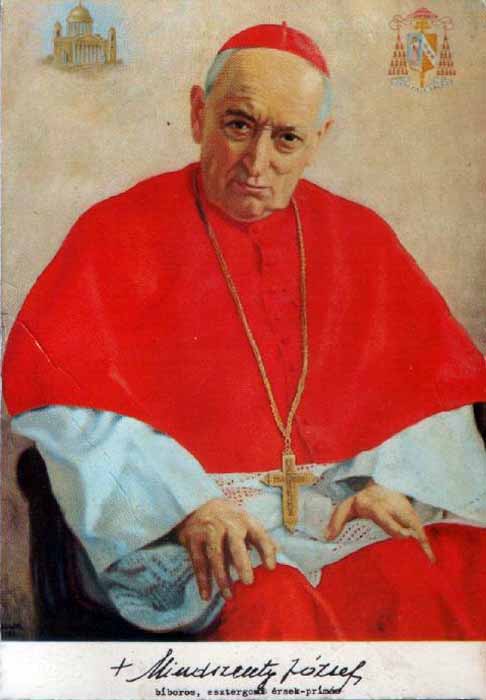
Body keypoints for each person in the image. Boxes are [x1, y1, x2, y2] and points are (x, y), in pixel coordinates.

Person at [3, 23, 486, 641]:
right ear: (198, 113)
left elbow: (433, 391)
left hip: (336, 516)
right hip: (190, 529)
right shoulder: (116, 233)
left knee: (425, 576)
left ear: (318, 141)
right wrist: (186, 507)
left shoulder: (359, 237)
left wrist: (390, 484)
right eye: (238, 125)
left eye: (287, 138)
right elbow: (67, 403)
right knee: (269, 601)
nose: (257, 163)